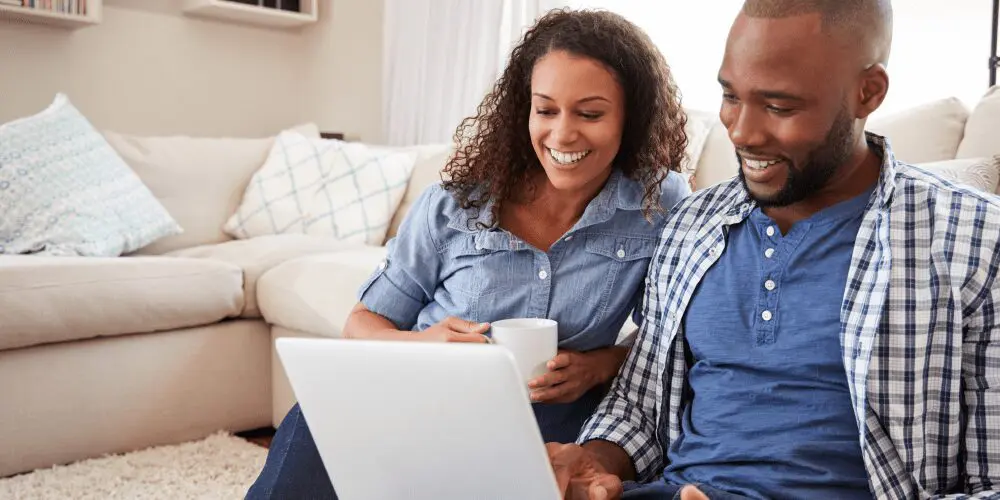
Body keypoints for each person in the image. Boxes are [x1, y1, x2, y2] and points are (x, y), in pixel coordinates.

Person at [548, 1, 1000, 499]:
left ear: (866, 92)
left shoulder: (975, 241)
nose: (742, 132)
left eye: (779, 107)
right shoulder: (694, 225)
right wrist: (590, 464)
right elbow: (638, 406)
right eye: (730, 96)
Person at [245, 8, 692, 499]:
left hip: (562, 414)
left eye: (590, 113)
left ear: (631, 118)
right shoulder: (456, 203)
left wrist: (600, 364)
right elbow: (362, 322)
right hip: (428, 395)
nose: (562, 135)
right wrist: (425, 346)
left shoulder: (660, 203)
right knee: (320, 416)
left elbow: (665, 346)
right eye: (545, 110)